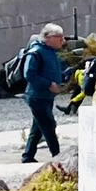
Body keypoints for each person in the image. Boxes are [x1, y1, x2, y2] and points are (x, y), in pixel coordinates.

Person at [21, 23, 68, 162]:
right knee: (48, 125)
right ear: (48, 37)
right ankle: (57, 156)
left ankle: (28, 155)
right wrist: (48, 84)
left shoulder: (49, 51)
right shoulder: (36, 52)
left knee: (38, 127)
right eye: (59, 37)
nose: (62, 40)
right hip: (37, 96)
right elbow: (29, 73)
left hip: (46, 96)